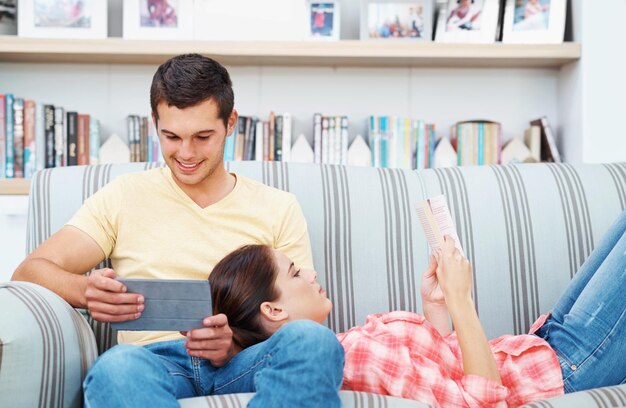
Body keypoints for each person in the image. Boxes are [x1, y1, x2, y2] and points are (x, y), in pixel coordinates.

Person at [11, 53, 344, 407]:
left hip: (247, 360)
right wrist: (85, 291)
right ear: (154, 123)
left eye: (203, 136)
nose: (186, 153)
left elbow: (303, 315)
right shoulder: (124, 196)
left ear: (230, 123)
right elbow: (29, 271)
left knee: (313, 342)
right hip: (158, 362)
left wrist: (231, 343)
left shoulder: (278, 207)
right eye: (171, 136)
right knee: (117, 369)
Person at [207, 210, 626, 406]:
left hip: (541, 346)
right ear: (274, 311)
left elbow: (448, 374)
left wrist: (436, 308)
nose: (311, 274)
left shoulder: (347, 345)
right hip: (566, 370)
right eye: (296, 273)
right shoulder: (358, 358)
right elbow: (480, 400)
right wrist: (462, 300)